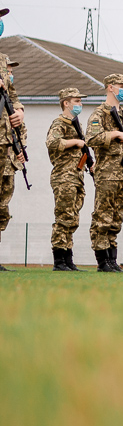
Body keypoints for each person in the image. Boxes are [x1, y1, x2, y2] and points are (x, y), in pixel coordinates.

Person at [85, 73, 123, 272]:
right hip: (107, 173)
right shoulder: (99, 113)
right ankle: (102, 261)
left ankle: (112, 259)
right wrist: (113, 134)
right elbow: (90, 138)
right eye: (122, 85)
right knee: (103, 215)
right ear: (110, 87)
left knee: (116, 217)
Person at [45, 87, 87, 271]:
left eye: (80, 101)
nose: (80, 104)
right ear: (66, 103)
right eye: (76, 101)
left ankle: (68, 259)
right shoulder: (59, 123)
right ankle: (59, 260)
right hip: (64, 176)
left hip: (76, 176)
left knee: (72, 218)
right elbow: (52, 142)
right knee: (63, 217)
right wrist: (75, 142)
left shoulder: (75, 124)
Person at [0, 53, 27, 270]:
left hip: (5, 148)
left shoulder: (2, 59)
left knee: (2, 206)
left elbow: (13, 96)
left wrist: (19, 111)